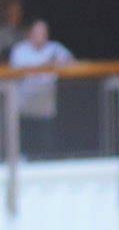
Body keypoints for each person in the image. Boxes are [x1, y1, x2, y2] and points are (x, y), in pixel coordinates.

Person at [8, 18, 73, 155]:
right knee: (27, 141)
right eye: (38, 32)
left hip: (46, 106)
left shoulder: (54, 47)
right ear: (30, 34)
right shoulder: (20, 49)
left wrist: (61, 62)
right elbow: (21, 70)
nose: (41, 36)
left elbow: (72, 61)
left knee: (45, 143)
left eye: (44, 32)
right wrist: (48, 63)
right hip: (25, 106)